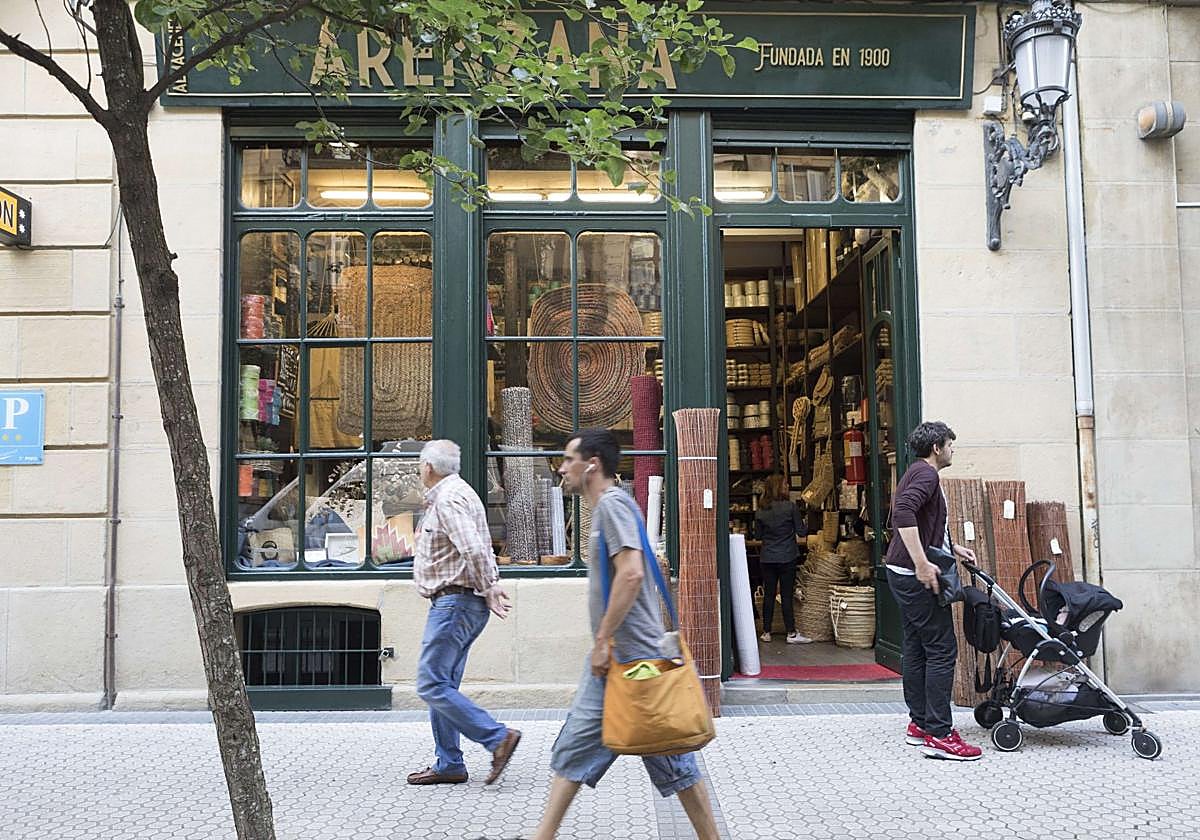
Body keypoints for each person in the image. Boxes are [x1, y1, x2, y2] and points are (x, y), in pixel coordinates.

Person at [532, 428, 720, 840]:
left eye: (568, 460)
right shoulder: (610, 508)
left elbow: (632, 573)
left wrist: (602, 640)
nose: (562, 468)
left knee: (663, 760)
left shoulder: (613, 506)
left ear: (592, 465)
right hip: (626, 657)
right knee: (596, 753)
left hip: (630, 659)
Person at [408, 439, 522, 785]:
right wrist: (488, 586)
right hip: (458, 602)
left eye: (420, 464)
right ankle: (449, 764)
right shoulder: (456, 494)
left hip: (455, 603)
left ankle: (497, 738)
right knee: (443, 685)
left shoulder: (449, 499)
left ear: (428, 467)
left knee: (431, 683)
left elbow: (473, 548)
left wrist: (489, 586)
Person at [885, 421, 982, 761]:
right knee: (941, 649)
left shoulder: (916, 472)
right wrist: (923, 564)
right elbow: (903, 513)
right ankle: (940, 734)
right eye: (950, 445)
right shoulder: (927, 475)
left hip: (900, 571)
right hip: (914, 575)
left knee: (917, 646)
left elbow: (924, 521)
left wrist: (951, 548)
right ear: (937, 448)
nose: (953, 450)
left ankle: (921, 723)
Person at [754, 474, 812, 645]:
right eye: (785, 484)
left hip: (767, 557)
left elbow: (758, 535)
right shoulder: (790, 507)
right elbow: (801, 532)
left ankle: (766, 631)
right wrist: (806, 522)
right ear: (779, 488)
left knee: (769, 594)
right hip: (787, 556)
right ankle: (791, 632)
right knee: (786, 595)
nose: (787, 487)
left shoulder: (761, 510)